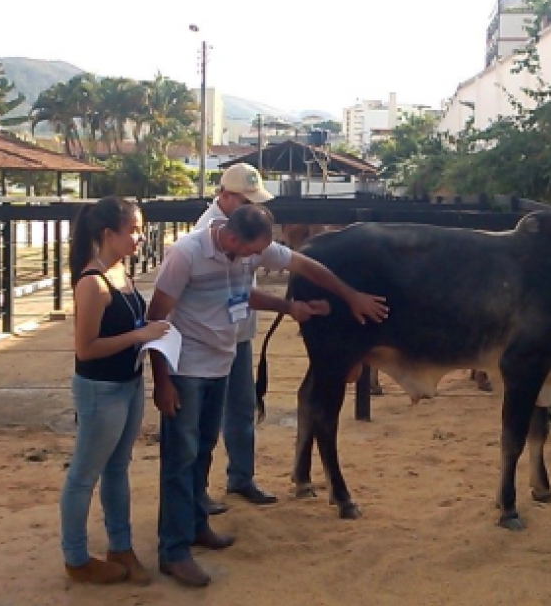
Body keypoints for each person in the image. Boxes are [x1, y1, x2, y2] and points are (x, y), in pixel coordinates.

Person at [147, 204, 387, 587]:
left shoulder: (247, 251)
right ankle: (173, 550)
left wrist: (339, 297)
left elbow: (300, 270)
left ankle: (195, 525)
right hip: (186, 367)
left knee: (204, 448)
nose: (257, 259)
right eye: (252, 251)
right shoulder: (186, 254)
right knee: (180, 456)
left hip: (220, 364)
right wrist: (162, 381)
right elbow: (156, 317)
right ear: (231, 237)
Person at [60, 197, 169, 586]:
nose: (140, 237)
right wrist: (140, 336)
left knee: (117, 467)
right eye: (134, 230)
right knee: (84, 474)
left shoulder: (120, 271)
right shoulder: (93, 283)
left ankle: (120, 546)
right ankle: (76, 557)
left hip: (127, 382)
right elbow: (85, 349)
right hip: (101, 389)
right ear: (109, 234)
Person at [192, 163, 277, 515]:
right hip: (210, 340)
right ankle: (198, 489)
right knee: (205, 418)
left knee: (241, 407)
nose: (251, 208)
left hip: (237, 334)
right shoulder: (206, 236)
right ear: (225, 196)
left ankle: (241, 477)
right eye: (245, 201)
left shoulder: (244, 230)